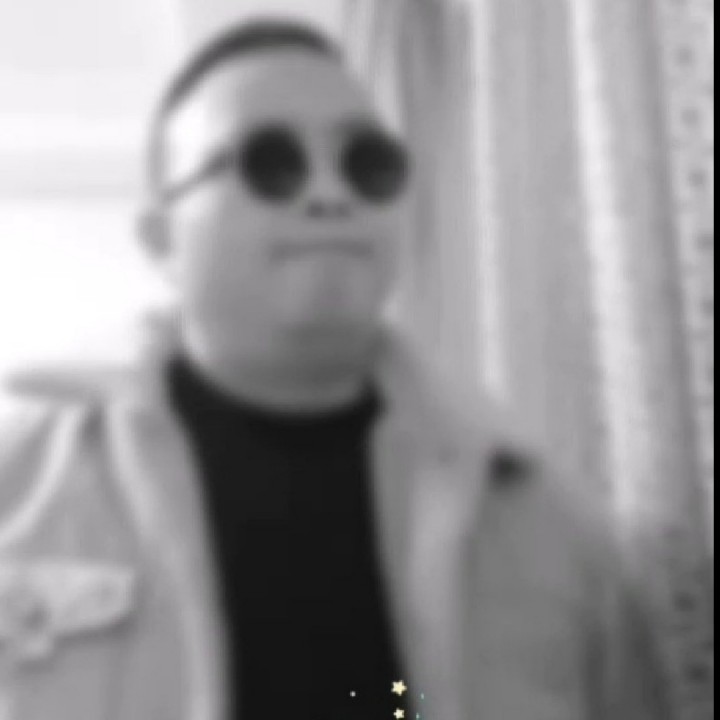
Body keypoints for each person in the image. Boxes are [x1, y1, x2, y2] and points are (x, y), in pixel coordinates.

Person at [0, 19, 672, 720]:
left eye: (366, 163)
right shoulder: (17, 488)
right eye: (271, 163)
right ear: (162, 239)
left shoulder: (551, 527)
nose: (329, 193)